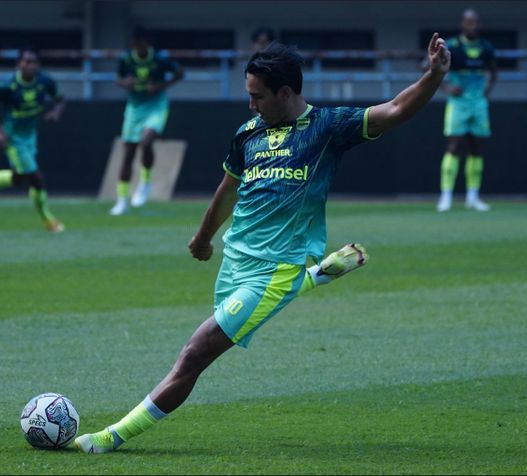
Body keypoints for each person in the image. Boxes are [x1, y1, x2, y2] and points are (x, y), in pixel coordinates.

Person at [75, 33, 450, 454]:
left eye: (258, 97)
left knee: (195, 354)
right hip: (235, 263)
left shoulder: (328, 128)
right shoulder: (248, 132)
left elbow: (396, 109)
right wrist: (203, 237)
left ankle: (109, 438)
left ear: (286, 92)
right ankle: (316, 275)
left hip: (272, 272)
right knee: (216, 334)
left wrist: (432, 76)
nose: (250, 104)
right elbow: (228, 188)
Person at [0, 48, 66, 232]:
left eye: (34, 62)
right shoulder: (8, 86)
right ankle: (48, 220)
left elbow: (61, 99)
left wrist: (56, 112)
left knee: (18, 178)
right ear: (19, 65)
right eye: (27, 62)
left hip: (30, 135)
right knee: (37, 179)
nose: (31, 66)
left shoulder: (43, 81)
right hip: (13, 137)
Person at [109, 26, 184, 216]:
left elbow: (180, 73)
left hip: (156, 105)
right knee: (128, 153)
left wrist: (161, 86)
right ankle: (122, 200)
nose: (137, 46)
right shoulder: (126, 59)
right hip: (134, 107)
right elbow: (118, 78)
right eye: (134, 43)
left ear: (147, 43)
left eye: (140, 42)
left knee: (147, 140)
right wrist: (125, 83)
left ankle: (145, 183)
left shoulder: (159, 58)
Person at [437, 8, 496, 212]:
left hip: (479, 104)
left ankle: (473, 196)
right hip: (458, 104)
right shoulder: (452, 46)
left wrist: (486, 93)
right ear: (462, 24)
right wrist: (446, 88)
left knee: (476, 149)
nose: (471, 26)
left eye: (475, 22)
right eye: (468, 22)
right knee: (453, 146)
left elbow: (494, 73)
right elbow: (427, 66)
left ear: (478, 25)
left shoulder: (486, 47)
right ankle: (446, 196)